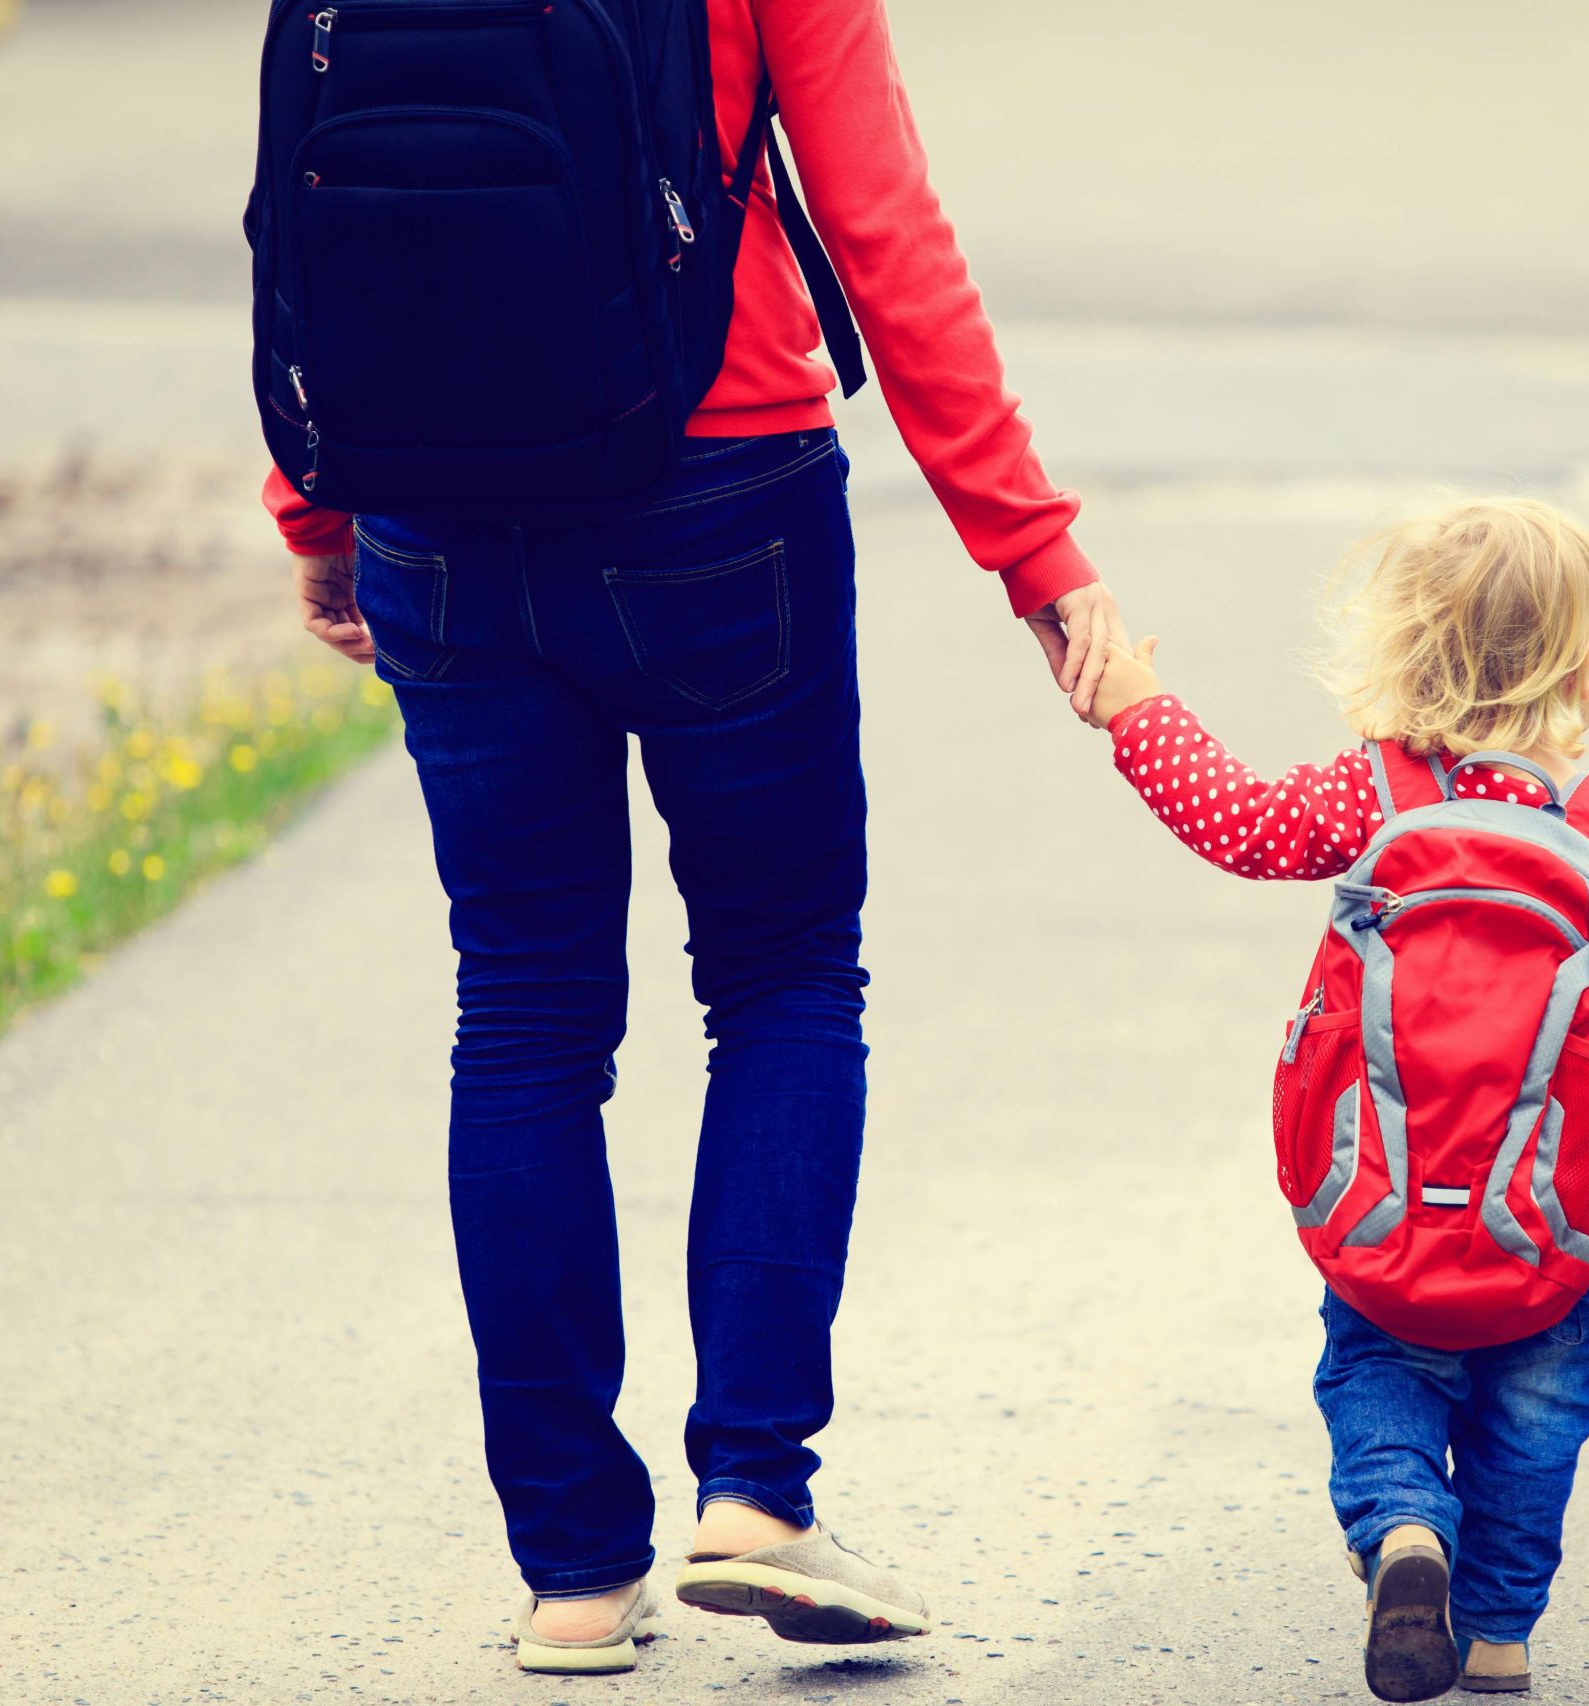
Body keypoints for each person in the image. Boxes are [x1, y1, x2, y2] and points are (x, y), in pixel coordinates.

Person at [268, 0, 1125, 1677]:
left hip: (434, 507)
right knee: (787, 977)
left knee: (520, 1015)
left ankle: (575, 1576)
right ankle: (756, 1489)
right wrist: (1032, 554)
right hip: (719, 491)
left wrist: (320, 505)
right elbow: (882, 225)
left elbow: (293, 211)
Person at [1084, 498, 1589, 1700]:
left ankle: (1402, 1533)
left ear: (1407, 650)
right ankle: (1493, 1634)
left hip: (1383, 1193)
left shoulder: (1380, 792)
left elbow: (1232, 819)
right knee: (1537, 1417)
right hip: (1564, 1212)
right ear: (1586, 661)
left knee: (1378, 1366)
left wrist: (1133, 702)